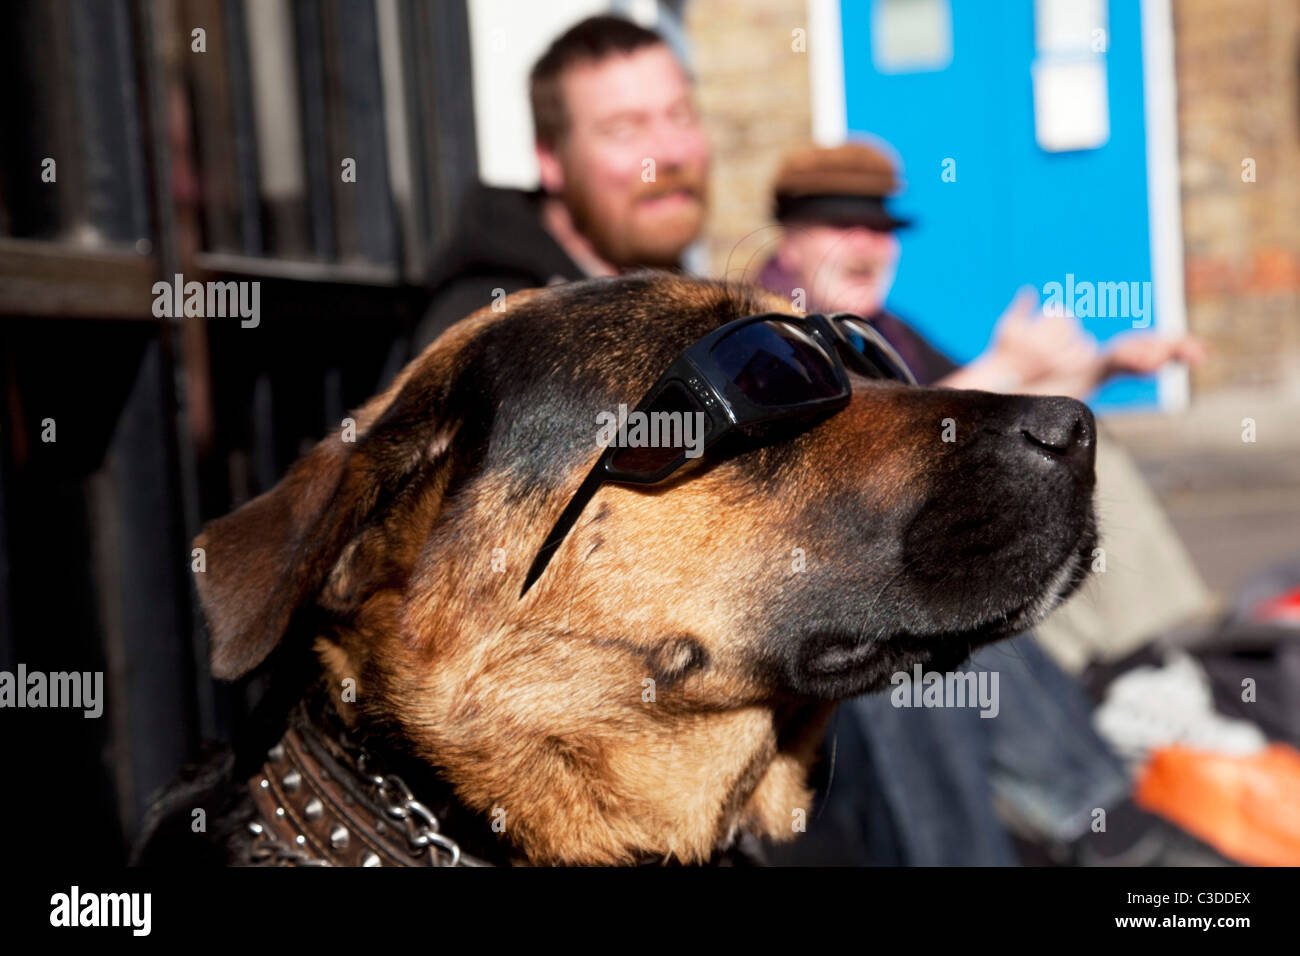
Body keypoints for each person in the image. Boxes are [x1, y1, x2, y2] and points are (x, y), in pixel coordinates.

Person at [757, 141, 1205, 395]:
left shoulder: (887, 333)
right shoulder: (761, 340)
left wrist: (1107, 366)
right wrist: (1008, 365)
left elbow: (986, 410)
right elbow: (887, 454)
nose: (867, 246)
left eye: (880, 228)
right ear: (789, 244)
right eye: (841, 226)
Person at [414, 15, 710, 349]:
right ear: (550, 158)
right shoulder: (495, 340)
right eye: (625, 130)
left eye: (681, 116)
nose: (670, 154)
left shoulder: (718, 318)